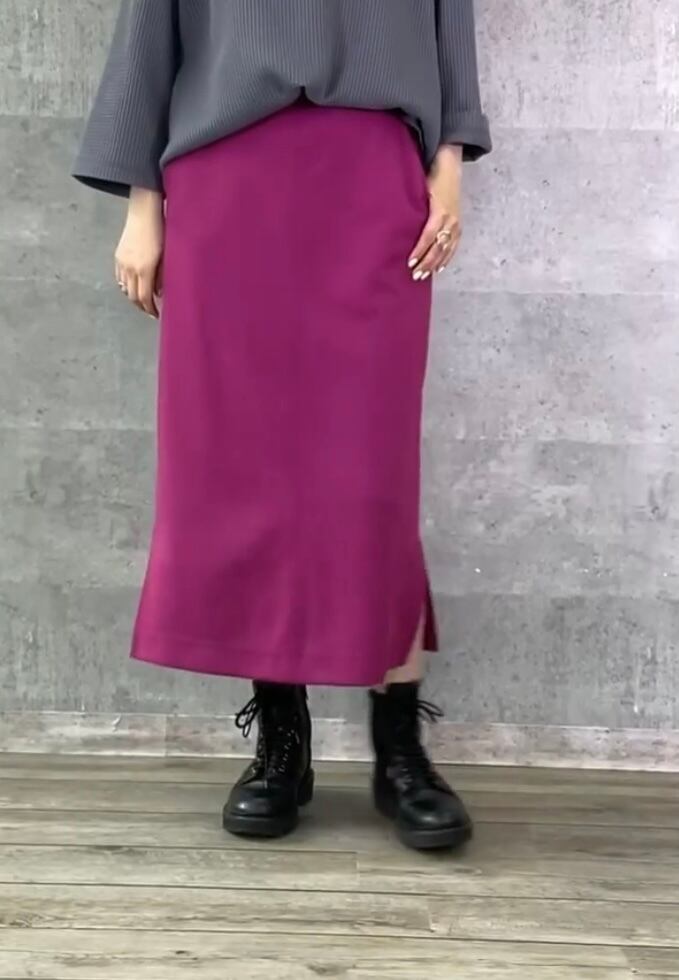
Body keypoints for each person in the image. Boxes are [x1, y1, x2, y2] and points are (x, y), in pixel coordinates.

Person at [73, 0, 491, 851]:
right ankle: (280, 742)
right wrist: (142, 208)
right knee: (246, 469)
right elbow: (151, 31)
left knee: (370, 478)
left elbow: (447, 16)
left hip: (372, 172)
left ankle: (398, 747)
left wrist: (448, 164)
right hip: (227, 177)